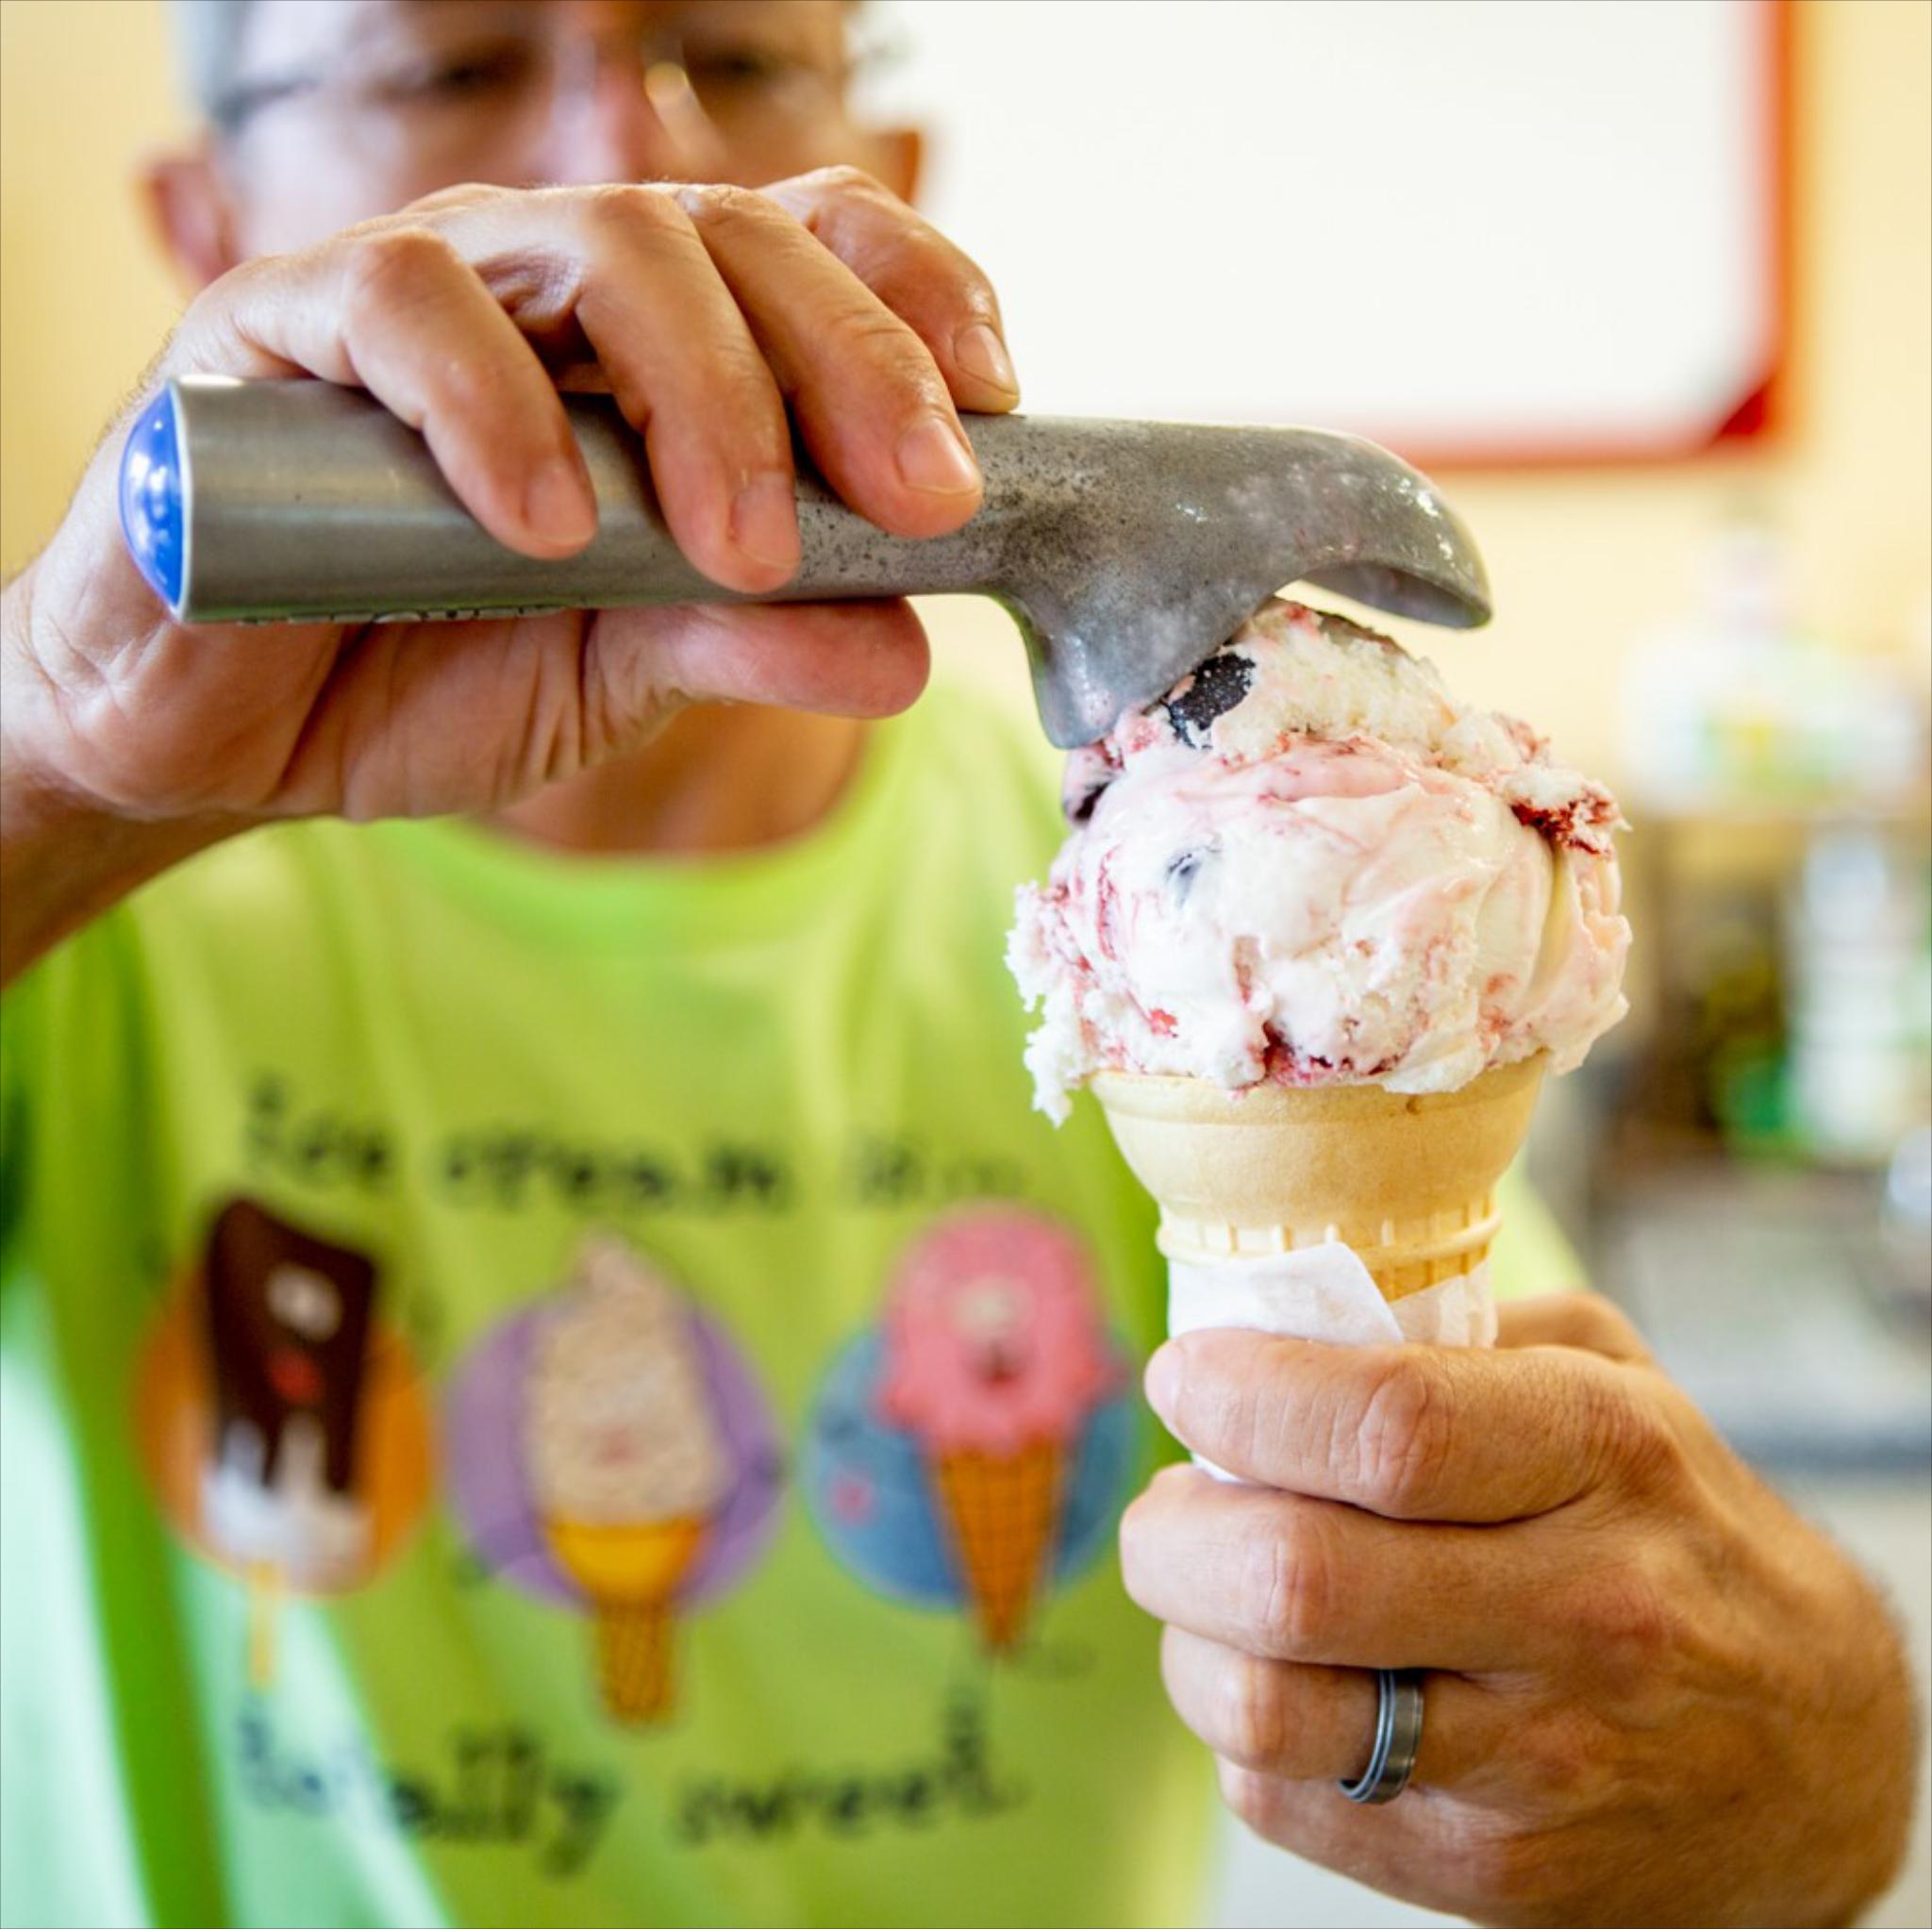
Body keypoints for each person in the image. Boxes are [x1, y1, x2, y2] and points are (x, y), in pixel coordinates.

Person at [0, 3, 1916, 1924]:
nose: (617, 154)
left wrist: (1795, 1771)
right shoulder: (75, 899)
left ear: (886, 199)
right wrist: (51, 757)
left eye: (731, 57)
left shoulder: (1178, 920)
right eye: (446, 64)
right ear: (204, 224)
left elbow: (1642, 1607)